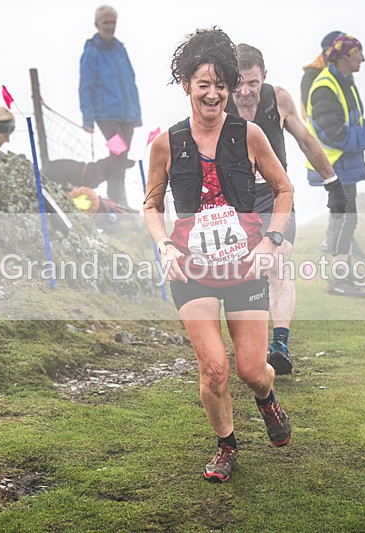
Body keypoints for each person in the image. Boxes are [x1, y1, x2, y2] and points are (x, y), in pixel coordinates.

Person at [143, 27, 294, 483]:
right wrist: (164, 244)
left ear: (230, 87)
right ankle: (226, 445)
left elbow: (284, 189)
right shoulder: (166, 143)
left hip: (245, 265)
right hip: (192, 269)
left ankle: (267, 399)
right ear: (187, 84)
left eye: (221, 85)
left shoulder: (249, 136)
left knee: (252, 370)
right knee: (214, 368)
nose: (213, 94)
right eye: (203, 84)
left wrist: (271, 240)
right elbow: (151, 204)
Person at [225, 43, 347, 375]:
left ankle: (279, 345)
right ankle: (247, 346)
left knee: (277, 264)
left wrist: (332, 182)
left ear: (264, 77)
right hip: (232, 203)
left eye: (253, 82)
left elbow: (305, 140)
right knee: (241, 274)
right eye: (239, 83)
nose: (246, 91)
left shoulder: (278, 99)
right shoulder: (218, 103)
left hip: (275, 197)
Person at [305, 33, 365, 297]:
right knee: (344, 220)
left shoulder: (345, 82)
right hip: (333, 165)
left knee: (345, 219)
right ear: (343, 56)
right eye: (357, 53)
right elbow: (336, 135)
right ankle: (338, 280)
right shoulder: (325, 86)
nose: (363, 58)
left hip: (343, 164)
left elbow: (349, 123)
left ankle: (345, 275)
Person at [79, 5, 142, 208]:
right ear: (97, 24)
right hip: (106, 116)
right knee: (119, 152)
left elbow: (131, 81)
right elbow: (85, 86)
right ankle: (116, 199)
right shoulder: (91, 52)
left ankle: (117, 201)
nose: (110, 26)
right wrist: (87, 118)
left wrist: (136, 115)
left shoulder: (120, 49)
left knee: (121, 157)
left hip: (127, 116)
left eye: (112, 22)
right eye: (106, 22)